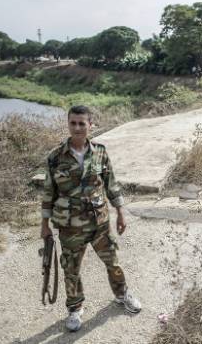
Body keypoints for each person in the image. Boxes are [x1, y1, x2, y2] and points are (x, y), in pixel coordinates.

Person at [40, 105, 141, 332]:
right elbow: (48, 193)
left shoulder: (101, 152)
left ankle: (122, 295)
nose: (77, 127)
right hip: (70, 227)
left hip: (100, 224)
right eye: (73, 123)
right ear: (68, 125)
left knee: (113, 262)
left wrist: (121, 213)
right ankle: (75, 309)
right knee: (71, 269)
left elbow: (111, 184)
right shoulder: (55, 157)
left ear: (90, 125)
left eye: (81, 123)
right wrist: (44, 225)